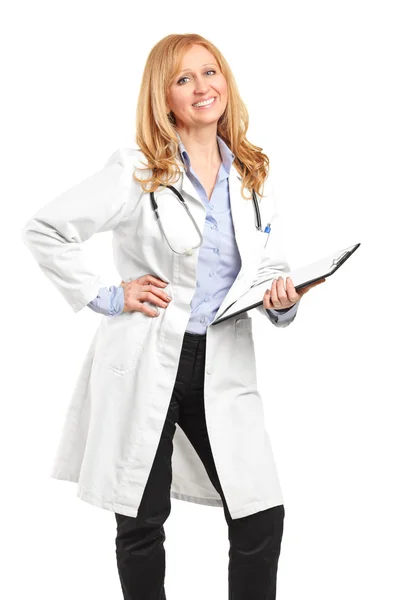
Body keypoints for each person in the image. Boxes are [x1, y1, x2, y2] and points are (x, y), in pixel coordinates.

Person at [21, 33, 325, 600]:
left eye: (210, 73)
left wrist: (282, 300)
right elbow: (44, 229)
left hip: (223, 362)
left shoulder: (252, 174)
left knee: (261, 513)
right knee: (142, 519)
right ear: (164, 99)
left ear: (226, 82)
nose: (203, 87)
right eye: (184, 79)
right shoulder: (138, 171)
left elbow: (266, 269)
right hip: (146, 359)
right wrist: (109, 295)